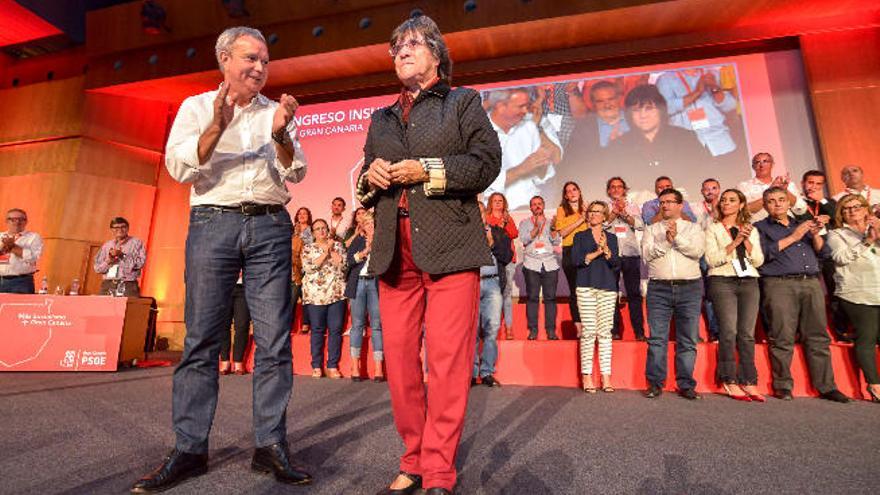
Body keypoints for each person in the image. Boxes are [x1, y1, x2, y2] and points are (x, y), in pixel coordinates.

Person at [133, 26, 311, 493]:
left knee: (274, 344)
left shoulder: (276, 111)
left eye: (265, 61)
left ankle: (270, 446)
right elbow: (179, 169)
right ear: (224, 60)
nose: (259, 68)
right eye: (250, 58)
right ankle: (189, 449)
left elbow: (297, 169)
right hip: (213, 224)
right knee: (201, 342)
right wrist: (217, 123)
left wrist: (282, 134)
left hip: (272, 227)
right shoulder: (195, 107)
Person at [356, 15, 501, 495]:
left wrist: (426, 169)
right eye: (395, 45)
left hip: (451, 248)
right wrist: (370, 177)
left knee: (446, 363)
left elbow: (485, 163)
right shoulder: (380, 118)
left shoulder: (462, 102)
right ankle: (412, 459)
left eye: (412, 43)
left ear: (436, 54)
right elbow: (362, 179)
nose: (401, 51)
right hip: (392, 251)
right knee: (398, 363)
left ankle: (439, 470)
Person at [754, 187, 850, 403]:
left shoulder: (803, 224)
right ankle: (783, 385)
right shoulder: (759, 227)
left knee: (817, 336)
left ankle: (827, 386)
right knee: (782, 336)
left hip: (811, 283)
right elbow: (762, 256)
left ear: (789, 202)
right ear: (765, 205)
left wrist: (815, 235)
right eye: (771, 201)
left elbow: (824, 253)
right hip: (779, 284)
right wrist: (794, 236)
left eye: (781, 199)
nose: (777, 204)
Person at [641, 188, 705, 400]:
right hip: (659, 288)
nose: (665, 206)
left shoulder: (694, 228)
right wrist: (666, 241)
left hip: (689, 287)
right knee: (657, 339)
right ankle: (655, 383)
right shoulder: (651, 230)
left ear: (680, 205)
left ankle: (686, 384)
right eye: (662, 202)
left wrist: (677, 239)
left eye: (670, 202)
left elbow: (697, 252)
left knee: (687, 339)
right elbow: (647, 256)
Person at [704, 189, 764, 401]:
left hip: (749, 281)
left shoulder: (751, 229)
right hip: (723, 280)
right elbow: (712, 259)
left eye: (732, 200)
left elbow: (758, 261)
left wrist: (746, 241)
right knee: (728, 331)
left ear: (741, 205)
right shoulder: (713, 229)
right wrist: (735, 242)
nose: (727, 203)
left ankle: (749, 380)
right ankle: (729, 379)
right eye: (724, 201)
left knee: (747, 334)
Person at [604, 84, 710, 197]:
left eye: (649, 108)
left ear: (661, 110)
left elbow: (703, 176)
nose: (643, 115)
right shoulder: (618, 146)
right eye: (636, 110)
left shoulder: (686, 139)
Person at [827, 194, 880, 403]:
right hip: (856, 292)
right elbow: (841, 258)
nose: (852, 211)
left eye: (856, 207)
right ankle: (875, 385)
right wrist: (866, 241)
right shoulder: (837, 234)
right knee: (866, 338)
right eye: (846, 209)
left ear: (866, 209)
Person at [792, 170, 851, 341]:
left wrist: (822, 200)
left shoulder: (828, 202)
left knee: (836, 292)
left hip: (829, 251)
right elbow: (798, 220)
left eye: (818, 184)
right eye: (810, 182)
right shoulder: (797, 203)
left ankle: (841, 331)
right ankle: (804, 333)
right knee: (807, 294)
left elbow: (839, 216)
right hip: (807, 251)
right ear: (803, 183)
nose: (814, 187)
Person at [484, 87, 562, 211]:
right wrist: (521, 169)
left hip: (532, 208)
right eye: (521, 106)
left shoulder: (534, 120)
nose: (526, 110)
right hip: (493, 212)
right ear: (500, 106)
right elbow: (481, 181)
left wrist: (537, 128)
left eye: (527, 105)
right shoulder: (476, 130)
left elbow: (556, 158)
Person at [572, 201, 620, 393]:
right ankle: (586, 375)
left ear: (604, 216)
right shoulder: (580, 236)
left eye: (598, 212)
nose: (593, 214)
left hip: (608, 287)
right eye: (591, 211)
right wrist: (596, 253)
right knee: (589, 331)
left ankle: (606, 376)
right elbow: (576, 260)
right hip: (585, 287)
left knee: (605, 333)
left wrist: (607, 251)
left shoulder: (612, 238)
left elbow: (616, 264)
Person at [655, 68, 739, 159]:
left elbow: (729, 106)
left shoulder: (713, 73)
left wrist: (714, 87)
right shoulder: (666, 79)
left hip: (719, 139)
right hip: (685, 143)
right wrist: (697, 92)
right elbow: (665, 109)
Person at [302, 218, 347, 379]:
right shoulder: (308, 248)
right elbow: (309, 267)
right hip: (316, 296)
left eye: (323, 228)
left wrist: (333, 251)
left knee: (335, 330)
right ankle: (316, 366)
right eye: (318, 229)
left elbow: (343, 266)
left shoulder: (339, 246)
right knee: (317, 330)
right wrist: (325, 252)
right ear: (313, 233)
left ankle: (332, 365)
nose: (321, 231)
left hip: (336, 293)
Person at [474, 201, 513, 387]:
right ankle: (472, 373)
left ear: (485, 214)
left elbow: (506, 257)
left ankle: (487, 372)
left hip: (492, 283)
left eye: (480, 211)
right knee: (471, 331)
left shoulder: (498, 232)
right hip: (471, 285)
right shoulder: (465, 235)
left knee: (492, 329)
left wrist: (492, 244)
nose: (478, 215)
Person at [344, 211, 384, 382]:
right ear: (363, 227)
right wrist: (364, 252)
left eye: (373, 224)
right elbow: (349, 261)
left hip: (375, 283)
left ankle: (378, 368)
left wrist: (375, 248)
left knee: (376, 325)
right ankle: (355, 366)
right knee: (357, 325)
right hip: (358, 283)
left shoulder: (383, 243)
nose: (371, 227)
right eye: (367, 224)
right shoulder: (358, 241)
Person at [518, 195, 561, 340]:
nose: (537, 206)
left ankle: (550, 330)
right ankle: (533, 330)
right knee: (532, 298)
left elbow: (556, 242)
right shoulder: (524, 223)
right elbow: (524, 240)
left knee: (550, 298)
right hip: (531, 263)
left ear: (543, 206)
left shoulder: (550, 222)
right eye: (534, 204)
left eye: (539, 204)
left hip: (549, 263)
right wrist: (536, 228)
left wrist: (554, 230)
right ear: (530, 208)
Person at [554, 181, 588, 337]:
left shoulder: (588, 207)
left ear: (580, 191)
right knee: (575, 291)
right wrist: (581, 219)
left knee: (588, 290)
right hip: (570, 250)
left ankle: (590, 325)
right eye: (568, 191)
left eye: (574, 189)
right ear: (565, 196)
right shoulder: (561, 210)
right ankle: (579, 326)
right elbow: (562, 233)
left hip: (588, 251)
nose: (572, 192)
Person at [485, 192, 518, 339]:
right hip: (492, 261)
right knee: (494, 294)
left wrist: (504, 224)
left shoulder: (507, 218)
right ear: (490, 203)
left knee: (507, 294)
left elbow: (514, 234)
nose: (498, 203)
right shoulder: (486, 218)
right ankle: (494, 329)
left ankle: (509, 328)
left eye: (500, 201)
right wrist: (498, 226)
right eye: (495, 201)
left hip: (508, 259)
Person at [693, 179, 721, 342]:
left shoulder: (726, 205)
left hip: (721, 252)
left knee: (717, 293)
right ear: (702, 191)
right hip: (702, 253)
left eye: (714, 188)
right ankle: (713, 331)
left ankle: (720, 331)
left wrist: (716, 205)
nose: (710, 192)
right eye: (707, 189)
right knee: (705, 293)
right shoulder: (696, 208)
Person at [737, 152, 799, 223]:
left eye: (765, 161)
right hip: (759, 228)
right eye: (757, 162)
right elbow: (745, 210)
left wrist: (784, 190)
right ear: (753, 166)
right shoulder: (743, 186)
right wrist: (770, 189)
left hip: (787, 225)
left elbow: (799, 208)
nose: (761, 165)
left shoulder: (786, 184)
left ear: (772, 164)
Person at [93, 217, 147, 297]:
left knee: (128, 308)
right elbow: (97, 268)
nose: (120, 230)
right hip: (108, 284)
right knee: (103, 308)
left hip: (127, 284)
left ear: (128, 228)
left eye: (123, 227)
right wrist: (108, 261)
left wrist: (122, 255)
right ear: (111, 229)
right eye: (116, 227)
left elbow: (140, 264)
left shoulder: (136, 243)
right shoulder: (107, 245)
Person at [0, 208, 43, 294]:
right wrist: (3, 247)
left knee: (20, 307)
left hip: (21, 282)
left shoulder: (33, 237)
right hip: (1, 279)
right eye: (13, 219)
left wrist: (13, 247)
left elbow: (33, 258)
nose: (17, 222)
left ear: (26, 221)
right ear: (6, 221)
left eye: (21, 219)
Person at [219, 275, 249, 375]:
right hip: (224, 285)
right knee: (223, 324)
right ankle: (224, 360)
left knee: (242, 324)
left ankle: (238, 361)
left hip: (244, 286)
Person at [293, 206, 313, 334]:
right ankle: (289, 325)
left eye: (304, 213)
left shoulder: (312, 231)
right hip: (294, 269)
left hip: (307, 267)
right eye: (299, 213)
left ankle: (306, 323)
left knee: (306, 296)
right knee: (293, 296)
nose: (302, 215)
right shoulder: (292, 231)